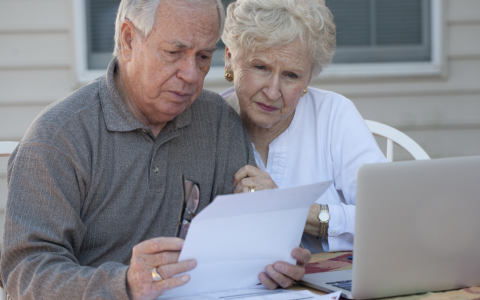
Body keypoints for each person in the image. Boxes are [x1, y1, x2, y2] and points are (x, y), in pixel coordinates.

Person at [0, 0, 311, 299]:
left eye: (203, 57)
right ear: (129, 40)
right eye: (174, 52)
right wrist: (125, 286)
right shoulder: (59, 137)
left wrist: (271, 262)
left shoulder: (219, 123)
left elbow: (240, 247)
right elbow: (24, 272)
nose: (190, 74)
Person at [222, 0, 387, 254]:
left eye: (291, 75)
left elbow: (390, 215)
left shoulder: (334, 115)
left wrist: (291, 209)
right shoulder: (208, 125)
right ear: (230, 59)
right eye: (260, 67)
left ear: (308, 78)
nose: (273, 91)